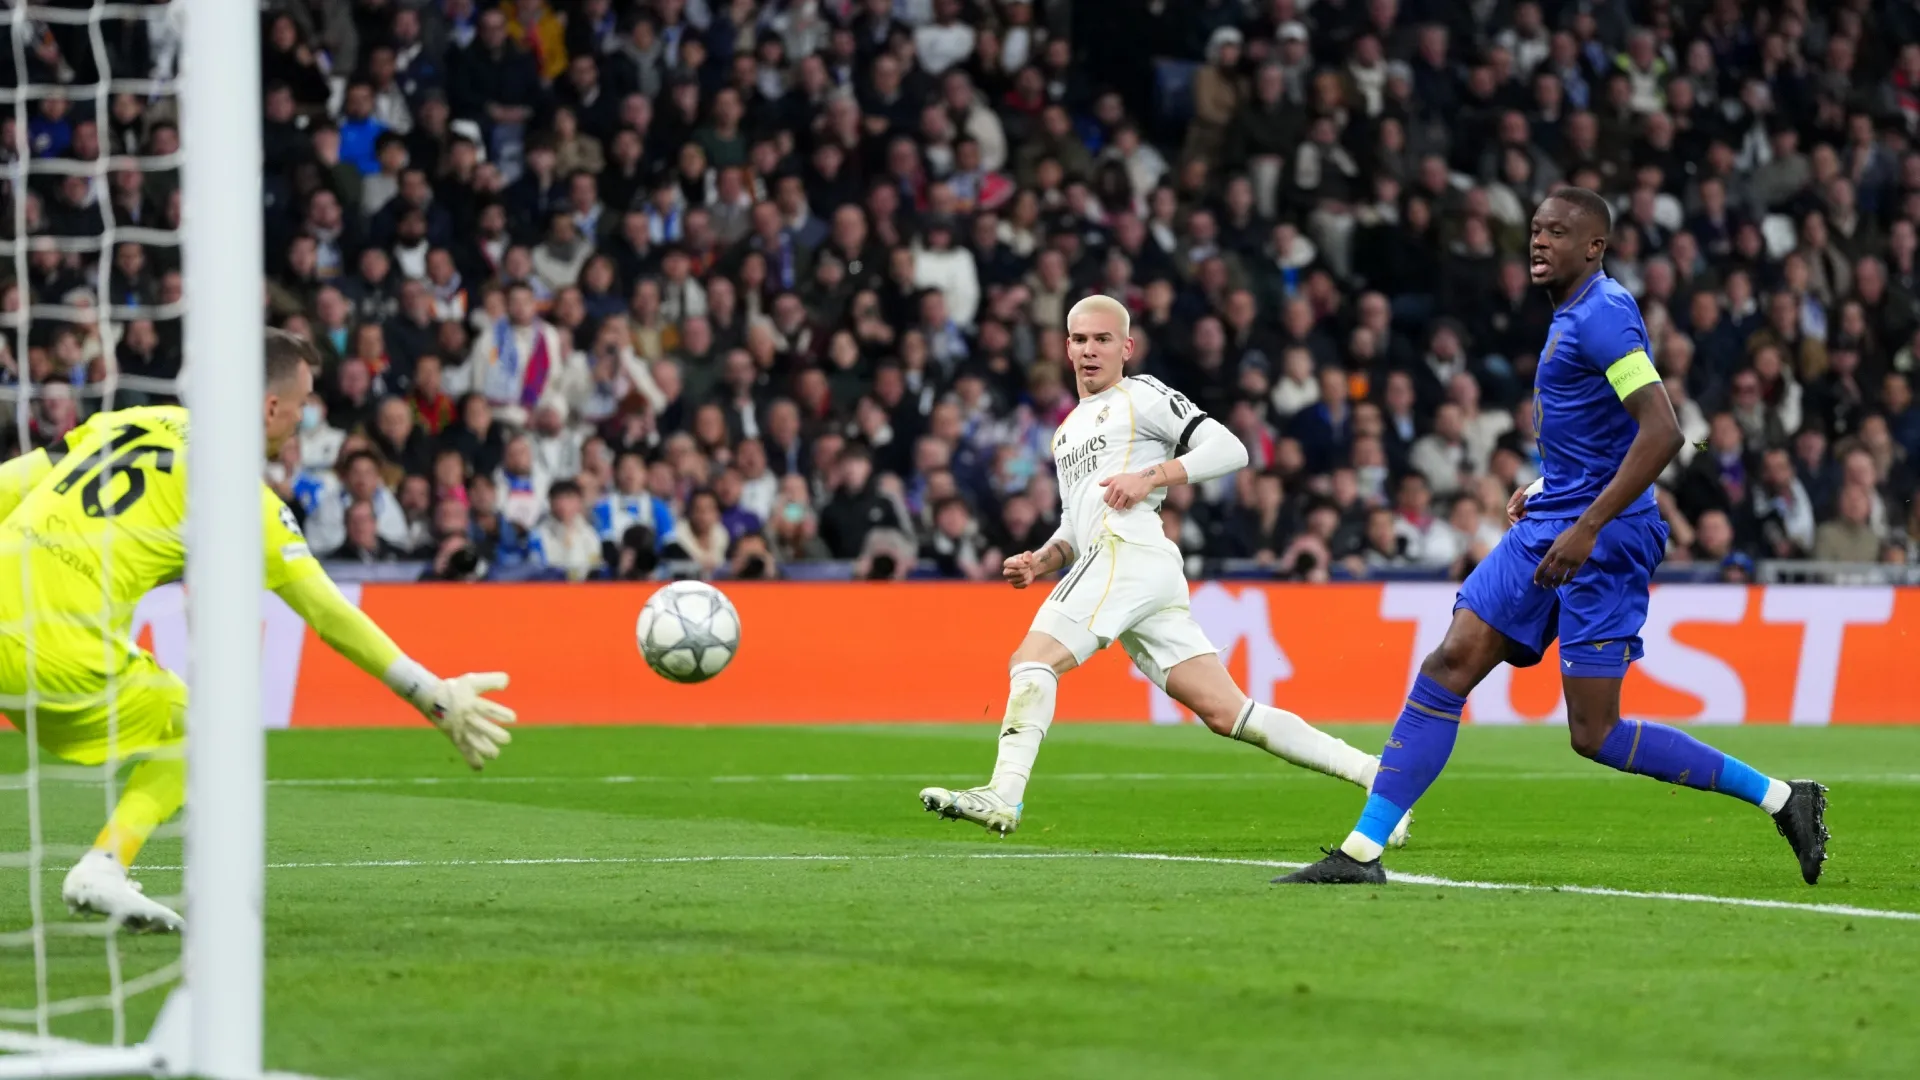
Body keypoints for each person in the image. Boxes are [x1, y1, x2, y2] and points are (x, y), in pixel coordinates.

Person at [1278, 190, 1827, 887]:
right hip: (1553, 520)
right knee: (1450, 664)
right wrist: (1547, 486)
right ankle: (1362, 851)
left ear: (1595, 247)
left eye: (1559, 233)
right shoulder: (1572, 314)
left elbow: (1662, 431)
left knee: (1595, 734)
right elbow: (1603, 431)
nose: (1539, 242)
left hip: (1605, 539)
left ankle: (1784, 798)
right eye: (1536, 229)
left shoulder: (1603, 314)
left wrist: (1587, 524)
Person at [0, 330, 516, 932]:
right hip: (60, 643)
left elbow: (12, 482)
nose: (308, 414)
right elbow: (329, 614)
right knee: (203, 733)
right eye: (305, 399)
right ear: (272, 407)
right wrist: (431, 693)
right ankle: (103, 865)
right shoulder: (244, 503)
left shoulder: (136, 421)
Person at [917, 296, 1409, 843]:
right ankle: (1378, 777)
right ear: (1065, 346)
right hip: (1123, 560)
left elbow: (1230, 449)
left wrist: (1151, 477)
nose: (1089, 350)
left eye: (1102, 339)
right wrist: (1041, 559)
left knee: (1033, 660)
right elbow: (1074, 528)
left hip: (1127, 549)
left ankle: (1004, 793)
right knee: (1230, 714)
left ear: (1126, 347)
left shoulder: (1140, 395)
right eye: (1079, 340)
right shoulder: (1064, 435)